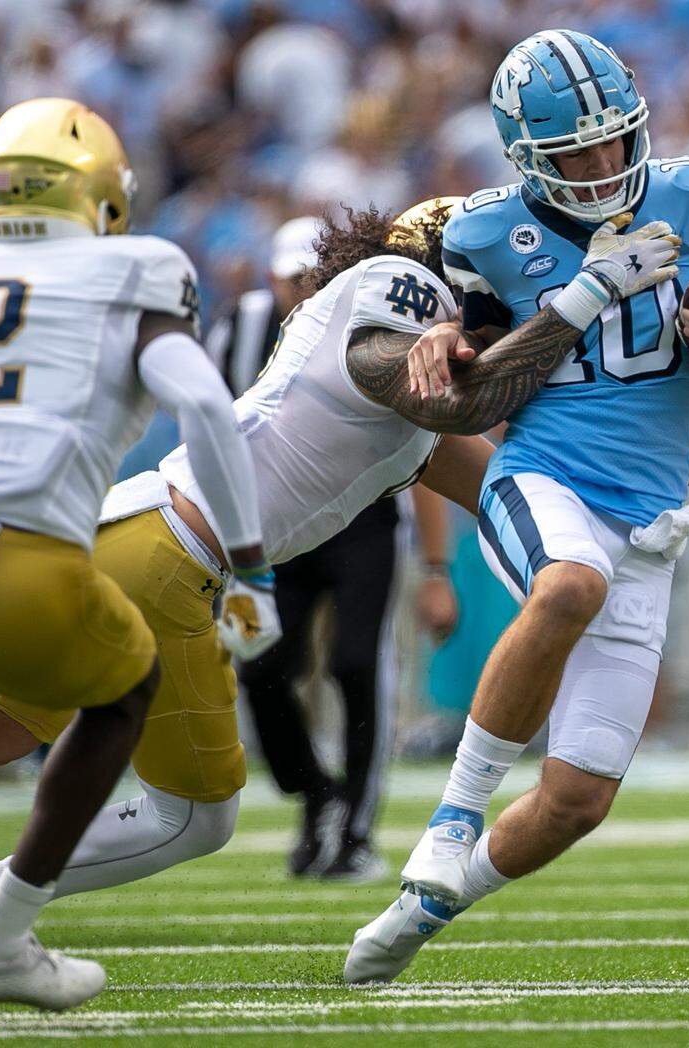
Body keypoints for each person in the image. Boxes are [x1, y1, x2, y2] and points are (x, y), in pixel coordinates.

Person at [0, 198, 689, 964]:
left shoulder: (397, 383)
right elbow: (453, 396)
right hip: (170, 556)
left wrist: (649, 466)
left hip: (129, 540)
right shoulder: (395, 295)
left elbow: (501, 483)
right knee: (194, 817)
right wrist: (582, 299)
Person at [343, 29, 689, 985]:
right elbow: (481, 386)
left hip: (650, 518)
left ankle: (429, 903)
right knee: (569, 587)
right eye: (575, 153)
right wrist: (444, 338)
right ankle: (448, 822)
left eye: (614, 141)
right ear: (524, 156)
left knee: (577, 800)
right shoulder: (482, 232)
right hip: (545, 479)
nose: (602, 166)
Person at [0, 98, 275, 1009]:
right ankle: (1, 938)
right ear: (101, 195)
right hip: (23, 556)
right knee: (123, 694)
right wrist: (250, 564)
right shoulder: (135, 266)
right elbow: (203, 408)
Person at [210, 213, 460, 880]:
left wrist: (436, 568)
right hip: (279, 522)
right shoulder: (248, 329)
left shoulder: (383, 322)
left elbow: (431, 452)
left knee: (357, 664)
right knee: (259, 664)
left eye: (310, 278)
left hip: (363, 519)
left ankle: (354, 825)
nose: (301, 290)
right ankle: (316, 794)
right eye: (292, 280)